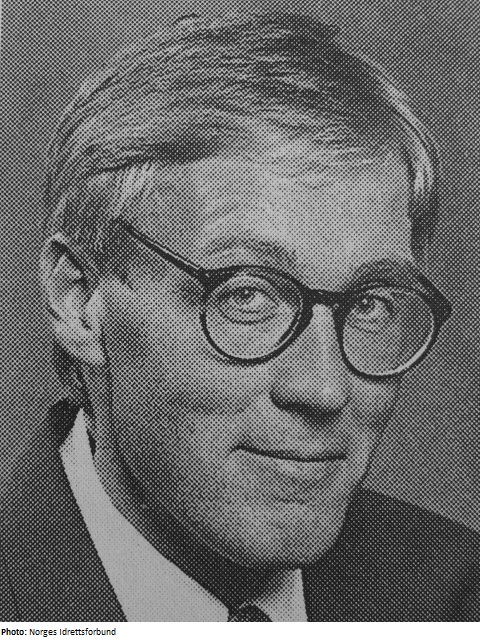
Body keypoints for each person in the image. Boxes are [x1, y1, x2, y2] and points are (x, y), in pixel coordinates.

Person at [1, 12, 478, 622]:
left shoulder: (456, 594)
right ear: (81, 300)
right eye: (247, 297)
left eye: (369, 303)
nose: (324, 388)